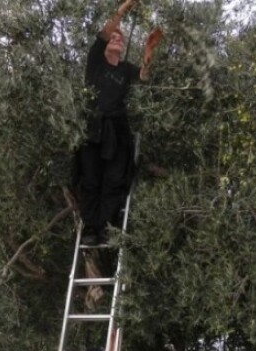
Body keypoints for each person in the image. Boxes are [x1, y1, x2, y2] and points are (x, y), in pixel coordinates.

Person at [77, 0, 160, 245]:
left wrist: (148, 51)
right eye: (113, 37)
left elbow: (144, 76)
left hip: (117, 132)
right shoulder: (96, 61)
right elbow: (105, 31)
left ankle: (105, 227)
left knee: (114, 180)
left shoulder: (125, 69)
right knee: (91, 179)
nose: (116, 39)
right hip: (92, 130)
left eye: (120, 38)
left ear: (123, 48)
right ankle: (91, 228)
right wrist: (124, 9)